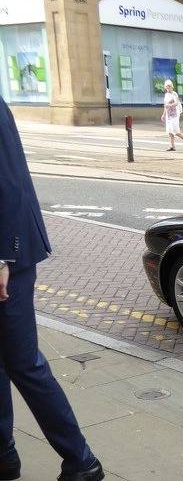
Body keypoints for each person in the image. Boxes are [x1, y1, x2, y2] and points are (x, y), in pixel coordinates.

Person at [0, 97, 105, 481]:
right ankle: (4, 455)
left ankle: (82, 462)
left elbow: (8, 179)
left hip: (8, 255)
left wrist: (3, 257)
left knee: (22, 361)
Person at [161, 80, 183, 152]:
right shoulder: (166, 95)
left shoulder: (174, 94)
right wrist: (163, 115)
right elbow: (165, 106)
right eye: (167, 86)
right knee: (169, 130)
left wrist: (169, 105)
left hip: (175, 115)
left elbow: (176, 103)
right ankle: (172, 146)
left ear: (172, 86)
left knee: (175, 130)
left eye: (169, 86)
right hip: (169, 115)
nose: (168, 88)